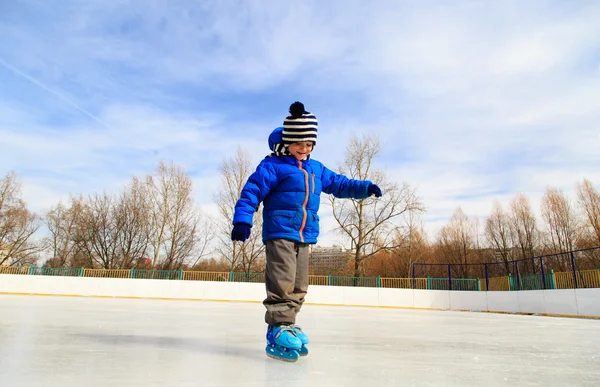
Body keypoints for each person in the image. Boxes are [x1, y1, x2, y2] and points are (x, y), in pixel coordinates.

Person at [231, 102, 382, 362]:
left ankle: (288, 323)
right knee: (282, 280)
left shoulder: (316, 168)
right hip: (279, 231)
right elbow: (251, 192)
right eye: (299, 144)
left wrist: (363, 188)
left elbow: (340, 184)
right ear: (287, 142)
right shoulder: (272, 167)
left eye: (309, 144)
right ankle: (278, 327)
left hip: (305, 235)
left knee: (300, 284)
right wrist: (242, 220)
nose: (304, 149)